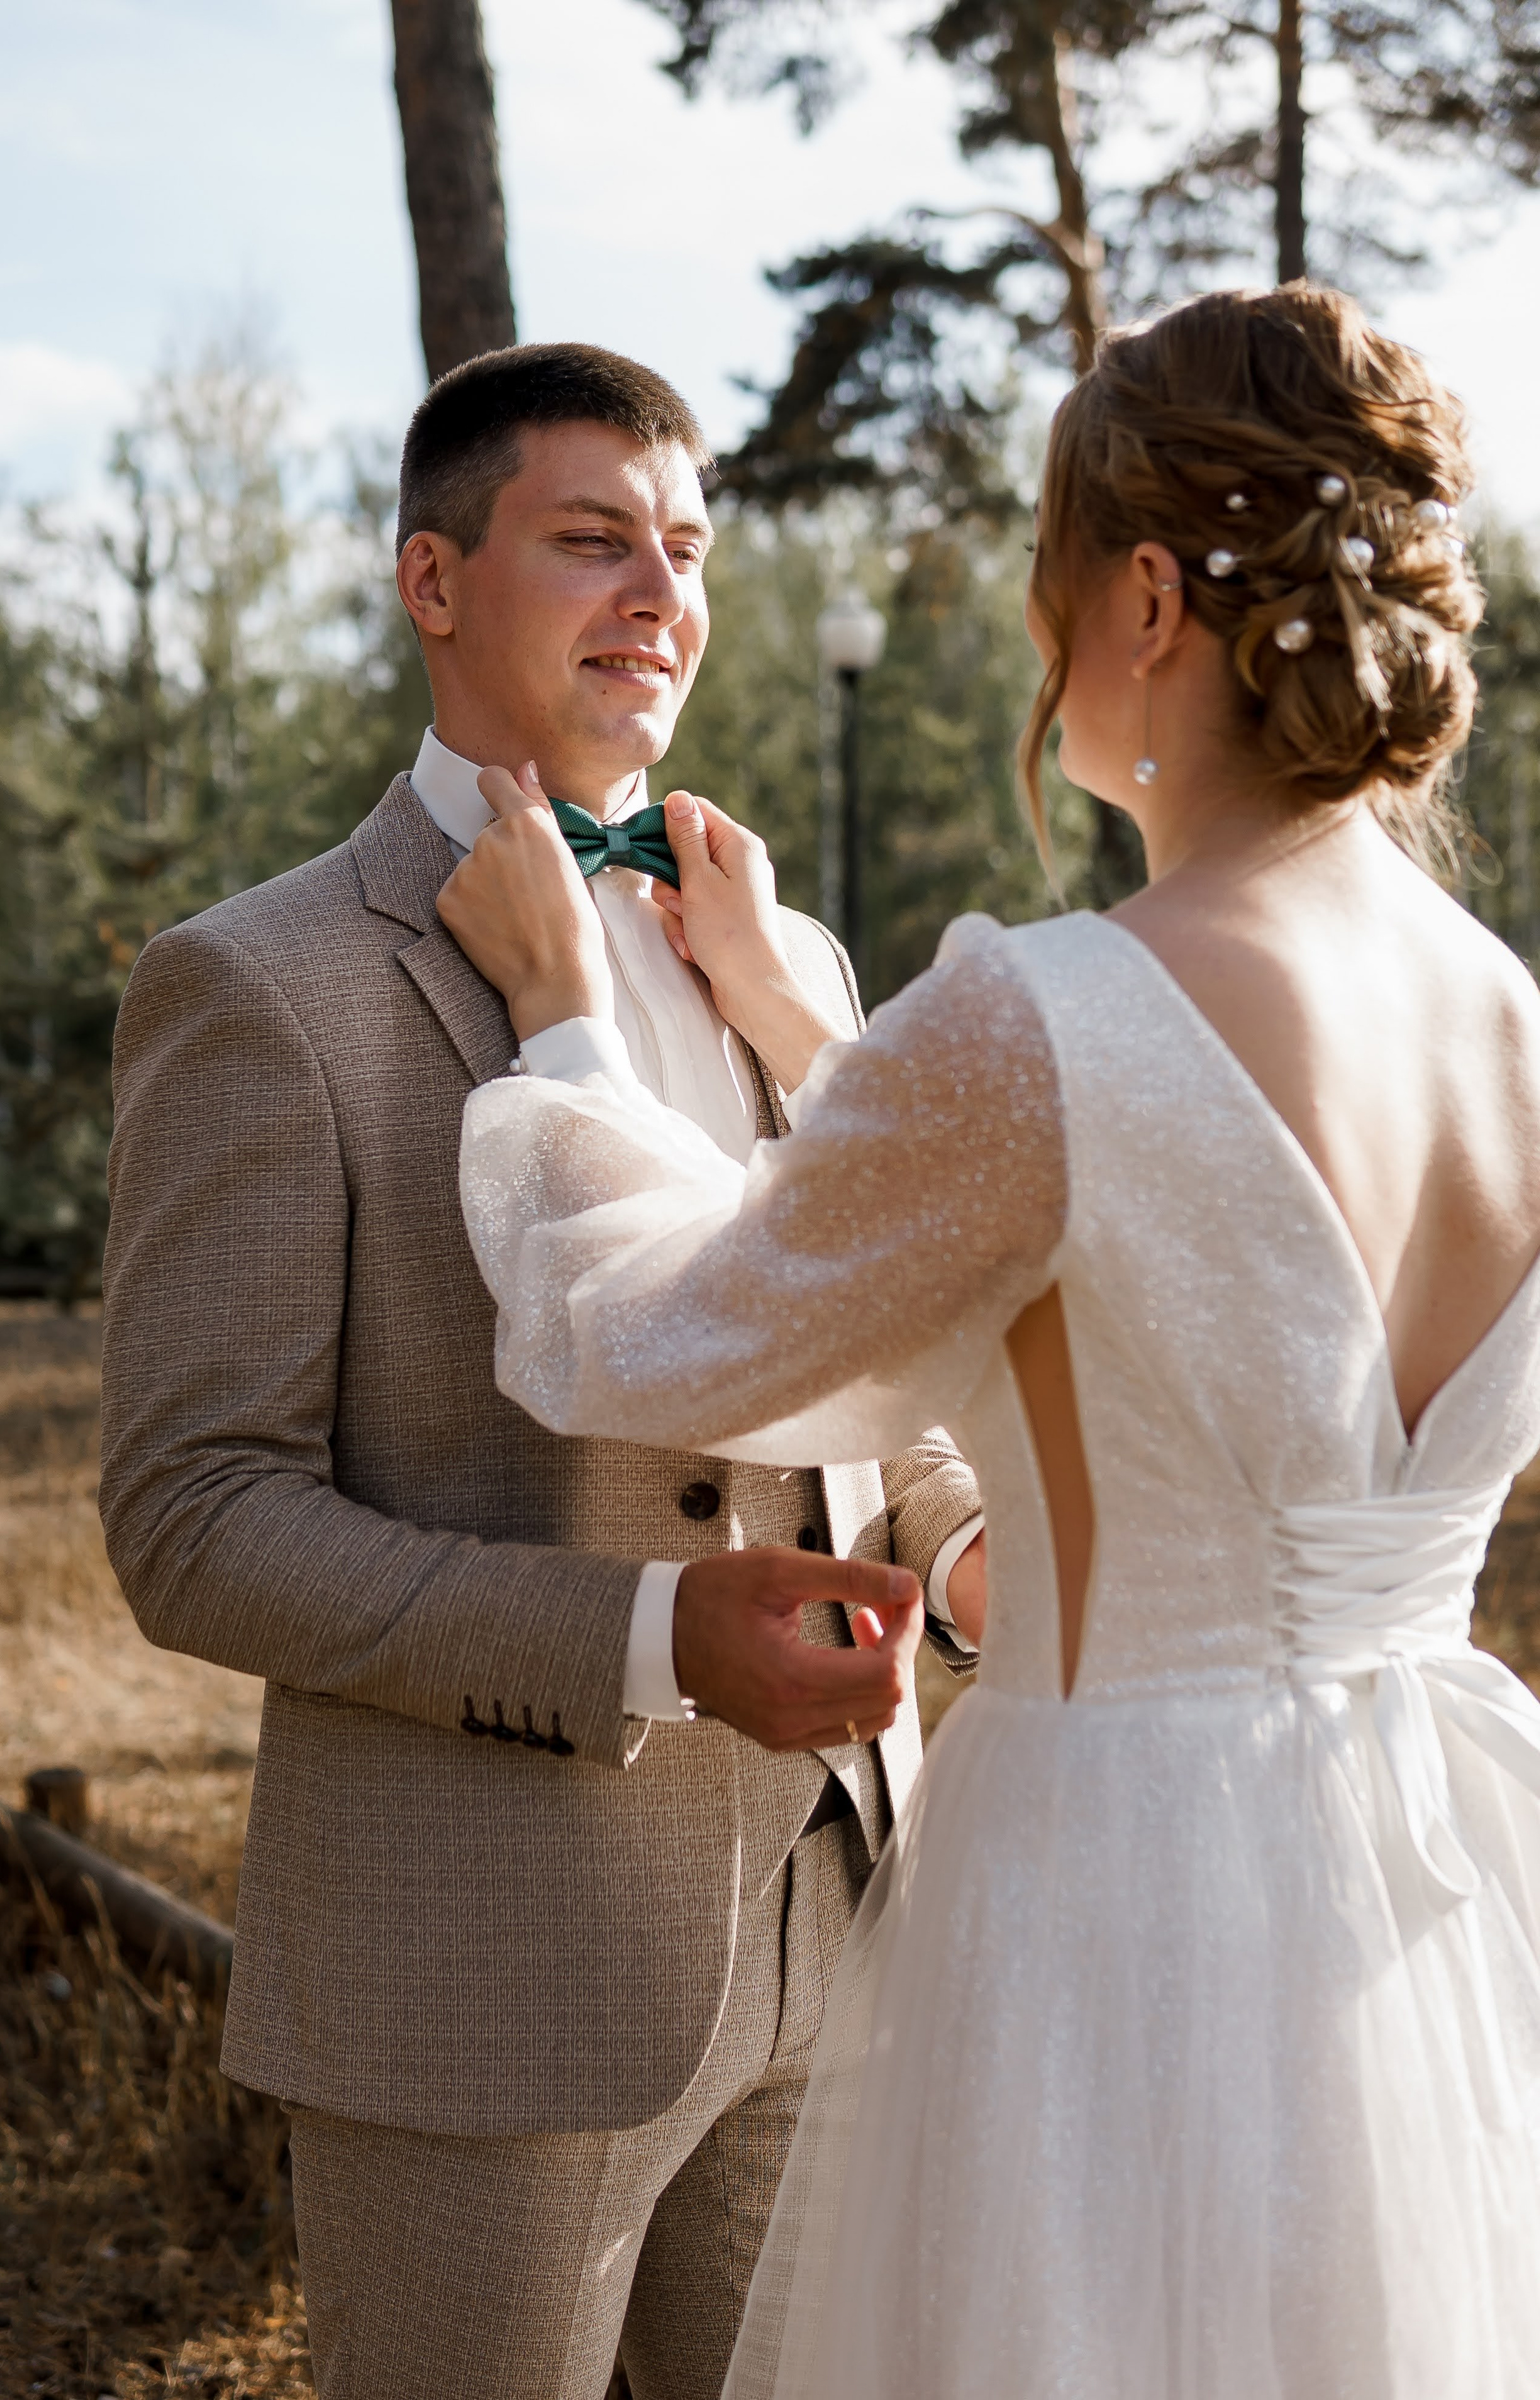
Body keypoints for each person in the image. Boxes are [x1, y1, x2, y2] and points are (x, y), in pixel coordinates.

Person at [443, 287, 1540, 2397]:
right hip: (1422, 1883)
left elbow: (666, 1338)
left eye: (1045, 585)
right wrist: (808, 1030)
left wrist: (575, 1026)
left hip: (1127, 1887)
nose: (1041, 644)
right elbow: (1102, 1260)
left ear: (1140, 595)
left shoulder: (1046, 1013)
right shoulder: (1501, 1011)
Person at [98, 342, 986, 2400]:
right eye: (593, 541)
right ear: (433, 580)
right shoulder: (262, 984)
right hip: (482, 1977)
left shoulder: (795, 960)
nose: (658, 593)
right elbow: (192, 1524)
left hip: (849, 1917)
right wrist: (657, 1637)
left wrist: (953, 1558)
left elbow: (871, 1376)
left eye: (684, 551)